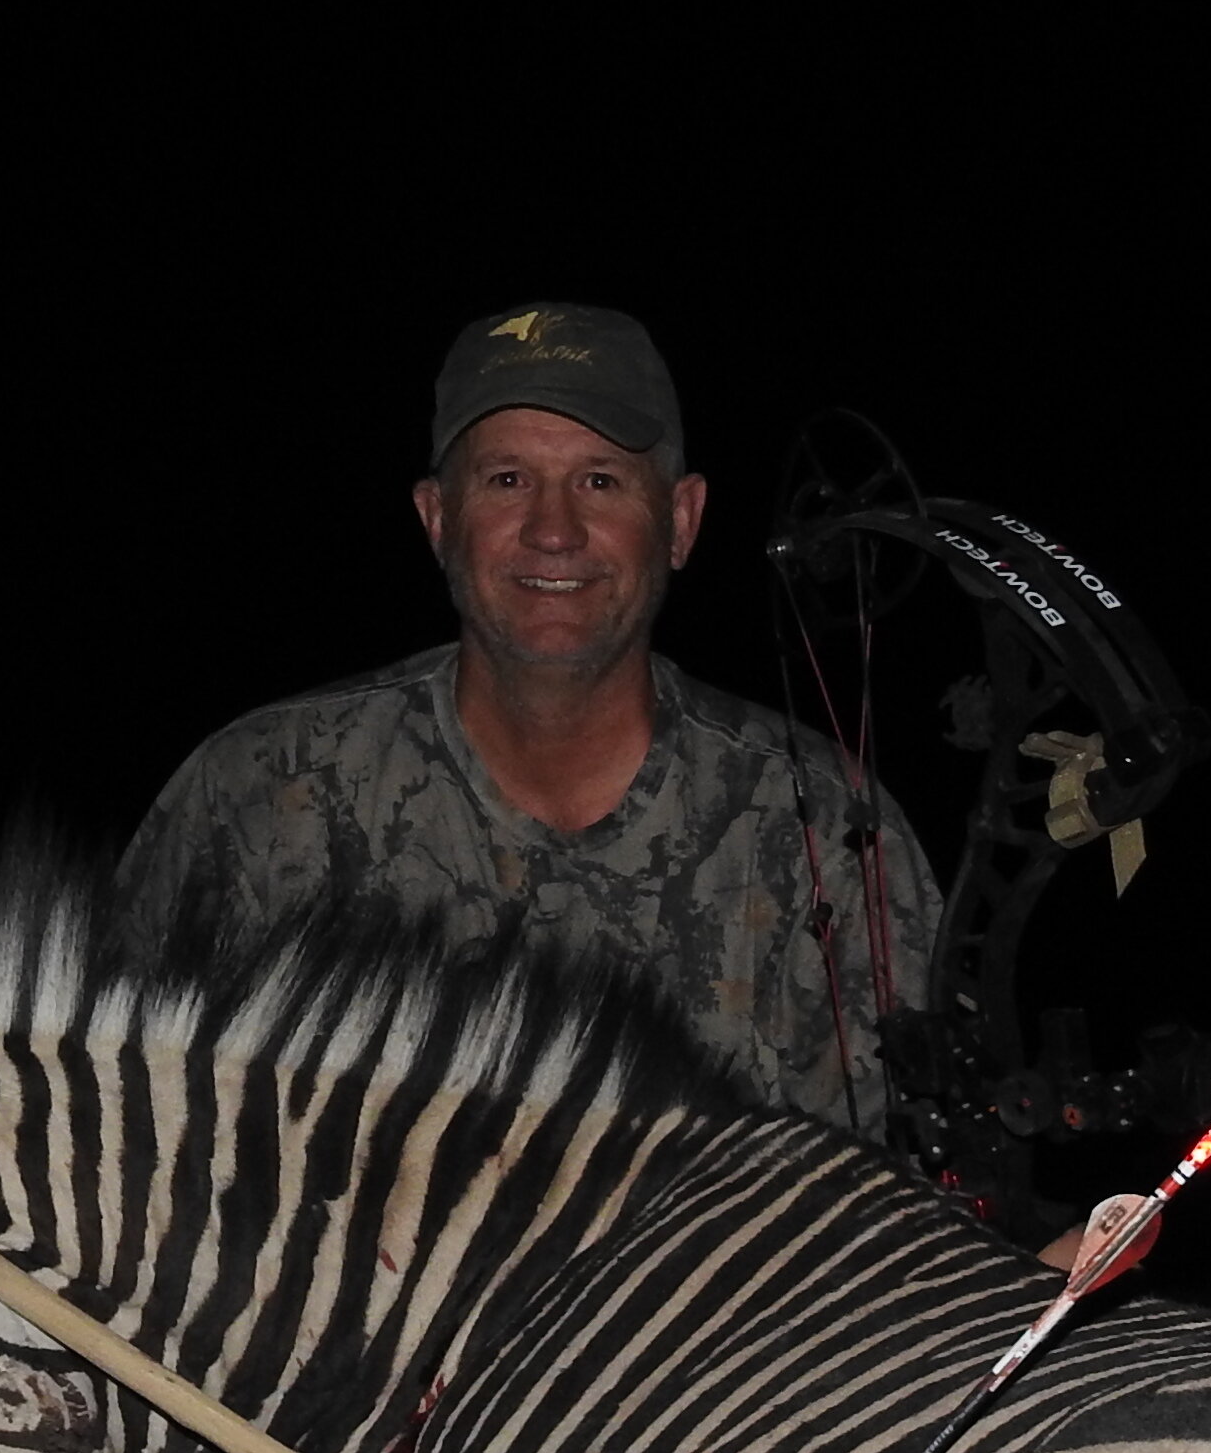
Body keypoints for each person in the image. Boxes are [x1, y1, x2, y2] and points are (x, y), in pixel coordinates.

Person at [111, 302, 941, 1139]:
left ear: (681, 522)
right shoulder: (259, 791)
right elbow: (110, 1130)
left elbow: (920, 1197)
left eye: (600, 481)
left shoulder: (825, 825)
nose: (554, 531)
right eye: (508, 480)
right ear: (438, 519)